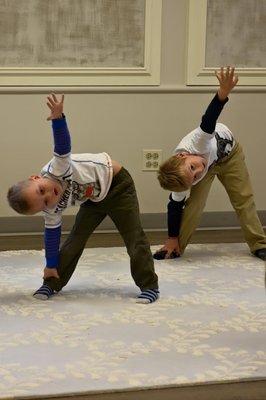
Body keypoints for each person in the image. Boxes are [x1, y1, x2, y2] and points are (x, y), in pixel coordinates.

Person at [7, 94, 159, 304]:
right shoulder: (51, 209)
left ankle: (149, 286)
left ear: (37, 178)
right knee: (74, 240)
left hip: (117, 186)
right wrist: (50, 264)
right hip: (93, 199)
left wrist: (59, 118)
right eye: (43, 203)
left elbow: (62, 145)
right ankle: (52, 282)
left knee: (134, 237)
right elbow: (52, 237)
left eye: (42, 190)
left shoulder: (57, 169)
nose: (49, 197)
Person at [154, 66, 266, 261]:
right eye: (195, 177)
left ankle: (259, 244)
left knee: (243, 197)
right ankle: (176, 246)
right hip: (213, 160)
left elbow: (209, 118)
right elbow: (174, 206)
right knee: (194, 205)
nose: (199, 170)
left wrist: (223, 93)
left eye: (192, 167)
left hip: (231, 156)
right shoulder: (185, 179)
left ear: (183, 156)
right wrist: (172, 237)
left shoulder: (197, 142)